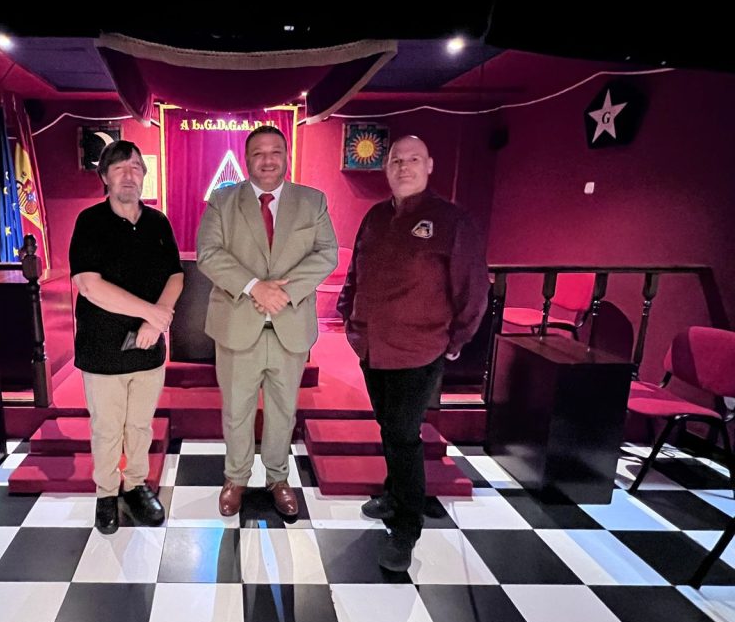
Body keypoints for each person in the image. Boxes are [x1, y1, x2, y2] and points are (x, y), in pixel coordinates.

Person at [337, 134, 489, 571]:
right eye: (396, 161)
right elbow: (356, 272)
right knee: (390, 428)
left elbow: (473, 289)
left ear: (430, 165)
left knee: (404, 436)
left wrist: (455, 341)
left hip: (419, 350)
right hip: (372, 346)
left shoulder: (452, 221)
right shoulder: (376, 216)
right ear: (387, 168)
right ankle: (393, 494)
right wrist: (349, 318)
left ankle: (406, 528)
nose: (404, 167)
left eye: (413, 159)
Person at [197, 126, 338, 517]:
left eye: (275, 151)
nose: (268, 160)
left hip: (290, 326)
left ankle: (278, 478)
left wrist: (284, 293)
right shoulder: (223, 200)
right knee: (236, 410)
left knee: (283, 410)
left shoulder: (312, 201)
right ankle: (236, 478)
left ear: (286, 156)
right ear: (246, 160)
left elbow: (327, 254)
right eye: (258, 153)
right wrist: (255, 287)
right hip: (237, 325)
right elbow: (208, 253)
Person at [70, 140, 184, 534]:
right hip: (102, 346)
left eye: (135, 167)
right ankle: (106, 492)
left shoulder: (158, 222)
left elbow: (175, 274)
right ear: (104, 176)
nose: (128, 175)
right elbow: (89, 285)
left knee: (139, 425)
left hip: (147, 345)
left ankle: (135, 485)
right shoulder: (90, 221)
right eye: (118, 168)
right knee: (107, 427)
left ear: (144, 174)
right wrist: (151, 313)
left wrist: (156, 321)